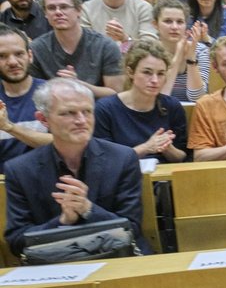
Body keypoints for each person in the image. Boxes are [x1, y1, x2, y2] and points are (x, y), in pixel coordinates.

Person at [3, 77, 148, 256]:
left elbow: (132, 228)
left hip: (118, 258)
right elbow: (17, 242)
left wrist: (88, 209)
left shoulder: (123, 158)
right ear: (43, 119)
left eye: (87, 111)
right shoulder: (20, 170)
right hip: (54, 265)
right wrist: (62, 222)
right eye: (68, 113)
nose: (81, 120)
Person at [93, 39, 187, 163]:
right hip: (124, 180)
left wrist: (168, 148)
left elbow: (183, 158)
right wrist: (146, 148)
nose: (155, 80)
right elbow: (105, 161)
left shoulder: (172, 106)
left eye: (160, 74)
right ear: (130, 72)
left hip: (164, 178)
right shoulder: (105, 109)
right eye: (147, 72)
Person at [30, 0, 123, 98]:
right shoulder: (36, 49)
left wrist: (78, 86)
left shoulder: (105, 46)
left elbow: (116, 93)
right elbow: (35, 95)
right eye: (51, 8)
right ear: (45, 13)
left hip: (97, 110)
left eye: (64, 7)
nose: (58, 12)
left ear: (79, 10)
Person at [0, 25, 50, 173]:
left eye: (19, 54)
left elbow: (63, 143)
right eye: (2, 56)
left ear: (30, 56)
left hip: (44, 184)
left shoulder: (53, 94)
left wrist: (9, 127)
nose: (13, 62)